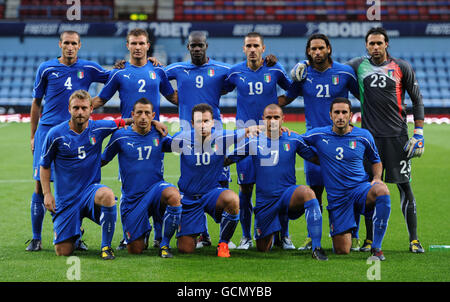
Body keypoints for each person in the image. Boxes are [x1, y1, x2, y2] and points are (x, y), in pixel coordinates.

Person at [28, 30, 111, 251]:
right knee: (39, 185)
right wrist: (33, 134)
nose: (70, 46)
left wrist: (94, 103)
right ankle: (36, 237)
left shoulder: (89, 68)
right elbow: (36, 103)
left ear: (80, 45)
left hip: (76, 132)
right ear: (60, 44)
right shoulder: (46, 68)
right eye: (66, 43)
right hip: (48, 132)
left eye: (74, 43)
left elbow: (114, 79)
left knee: (78, 184)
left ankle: (75, 235)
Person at [346, 27, 425, 253]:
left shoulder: (401, 67)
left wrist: (418, 132)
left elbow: (417, 99)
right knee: (368, 188)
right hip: (369, 140)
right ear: (366, 46)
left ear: (386, 44)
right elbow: (332, 68)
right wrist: (306, 61)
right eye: (371, 43)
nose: (375, 47)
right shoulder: (358, 65)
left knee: (404, 186)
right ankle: (369, 239)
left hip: (398, 137)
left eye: (379, 43)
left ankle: (414, 239)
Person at [279, 33, 360, 251]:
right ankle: (311, 236)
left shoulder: (345, 72)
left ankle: (354, 234)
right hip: (313, 141)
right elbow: (285, 99)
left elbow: (365, 98)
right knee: (314, 193)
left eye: (320, 48)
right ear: (308, 52)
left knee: (346, 190)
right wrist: (260, 101)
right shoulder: (303, 74)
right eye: (313, 49)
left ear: (329, 49)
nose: (317, 52)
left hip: (341, 140)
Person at [226, 104, 328, 260]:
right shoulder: (253, 141)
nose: (272, 121)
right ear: (263, 120)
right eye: (268, 117)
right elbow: (229, 159)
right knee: (263, 248)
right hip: (265, 202)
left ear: (282, 119)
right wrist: (207, 160)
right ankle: (275, 230)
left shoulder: (293, 139)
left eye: (276, 117)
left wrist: (339, 160)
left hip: (288, 195)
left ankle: (316, 247)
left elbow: (315, 158)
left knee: (308, 193)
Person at [39, 90, 127, 259]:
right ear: (69, 109)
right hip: (66, 198)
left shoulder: (99, 127)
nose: (80, 112)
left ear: (91, 109)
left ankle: (106, 247)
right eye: (76, 108)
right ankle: (76, 230)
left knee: (108, 195)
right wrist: (47, 193)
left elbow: (124, 122)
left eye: (84, 108)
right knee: (63, 252)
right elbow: (44, 166)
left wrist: (153, 123)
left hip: (90, 192)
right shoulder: (55, 135)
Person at [224, 32, 293, 250]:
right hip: (246, 138)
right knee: (245, 189)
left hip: (270, 138)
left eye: (256, 46)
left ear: (263, 48)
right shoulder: (235, 72)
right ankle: (246, 236)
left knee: (278, 188)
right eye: (248, 46)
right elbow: (218, 87)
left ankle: (285, 236)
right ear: (243, 49)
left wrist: (277, 108)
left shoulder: (275, 69)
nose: (252, 49)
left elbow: (292, 90)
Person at [302, 97, 391, 260]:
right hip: (338, 198)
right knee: (342, 250)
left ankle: (376, 248)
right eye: (337, 112)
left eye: (344, 112)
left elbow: (376, 160)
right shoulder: (318, 134)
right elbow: (297, 142)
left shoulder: (363, 136)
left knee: (382, 190)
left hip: (360, 190)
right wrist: (316, 158)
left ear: (350, 115)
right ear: (330, 115)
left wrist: (377, 178)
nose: (340, 116)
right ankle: (346, 228)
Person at [169, 103, 259, 257]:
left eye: (206, 121)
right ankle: (196, 230)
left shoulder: (222, 137)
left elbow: (246, 131)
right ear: (192, 124)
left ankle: (223, 243)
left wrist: (260, 129)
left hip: (211, 194)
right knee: (185, 249)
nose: (202, 125)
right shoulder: (181, 139)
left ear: (212, 123)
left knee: (232, 199)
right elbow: (162, 143)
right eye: (198, 121)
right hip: (189, 198)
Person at [101, 98, 182, 258]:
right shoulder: (120, 136)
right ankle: (144, 230)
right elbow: (103, 160)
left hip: (156, 190)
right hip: (132, 199)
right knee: (135, 249)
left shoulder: (160, 134)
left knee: (173, 195)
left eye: (147, 113)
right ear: (133, 115)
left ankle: (164, 244)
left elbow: (179, 146)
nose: (143, 117)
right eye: (139, 113)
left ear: (153, 115)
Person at [92, 28, 178, 120]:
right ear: (127, 45)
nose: (137, 47)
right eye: (134, 43)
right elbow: (100, 100)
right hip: (128, 129)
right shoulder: (118, 72)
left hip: (153, 130)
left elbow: (173, 97)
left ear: (148, 46)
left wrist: (193, 99)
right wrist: (77, 108)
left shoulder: (158, 70)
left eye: (141, 43)